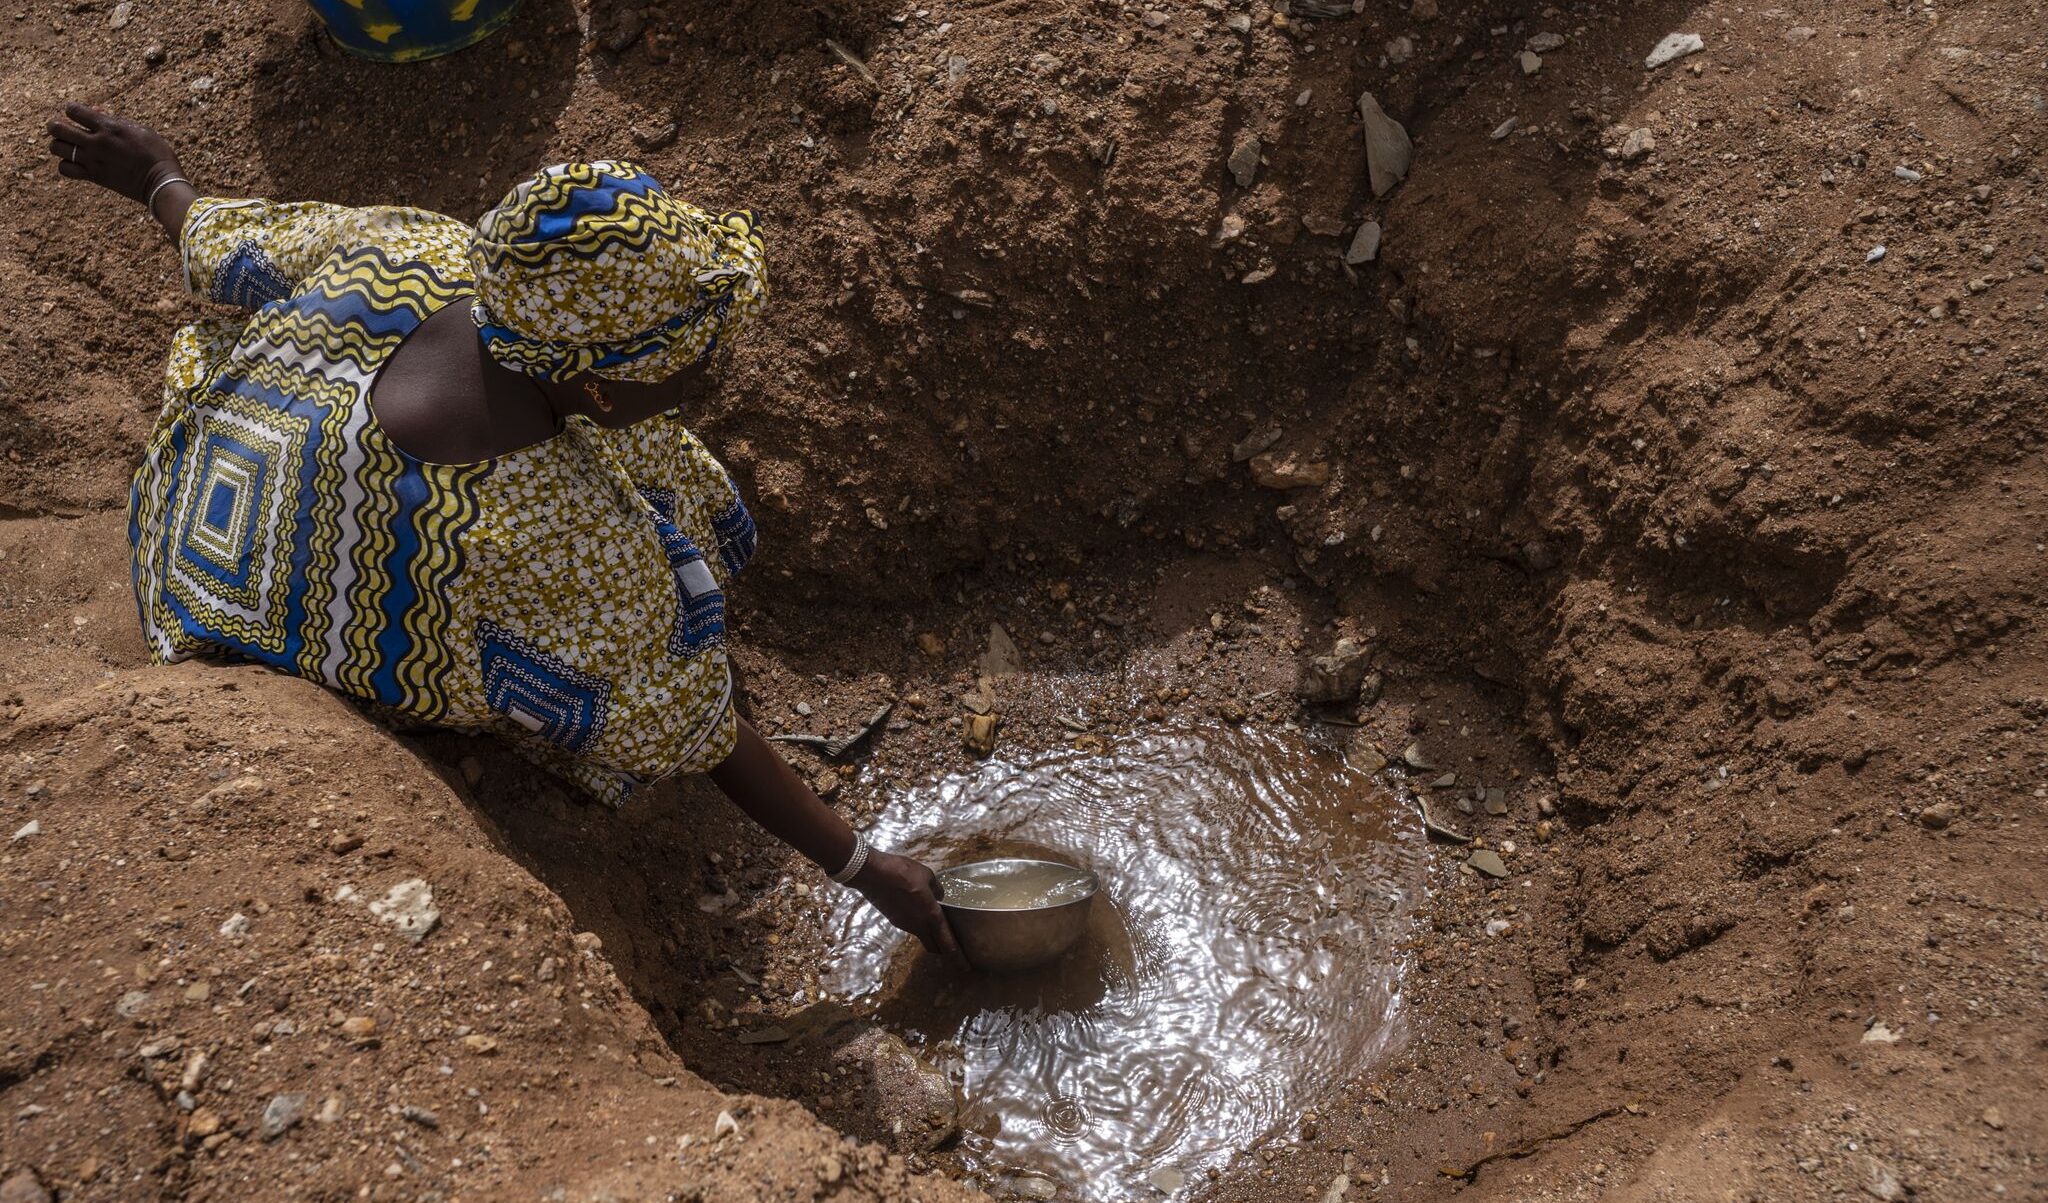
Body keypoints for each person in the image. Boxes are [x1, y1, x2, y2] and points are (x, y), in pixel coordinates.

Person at [45, 103, 961, 959]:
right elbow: (696, 727)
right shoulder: (549, 534)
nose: (712, 369)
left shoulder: (423, 249)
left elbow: (236, 248)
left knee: (653, 462)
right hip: (258, 611)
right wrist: (863, 867)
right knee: (612, 651)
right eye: (688, 359)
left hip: (226, 487)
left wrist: (159, 177)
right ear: (598, 382)